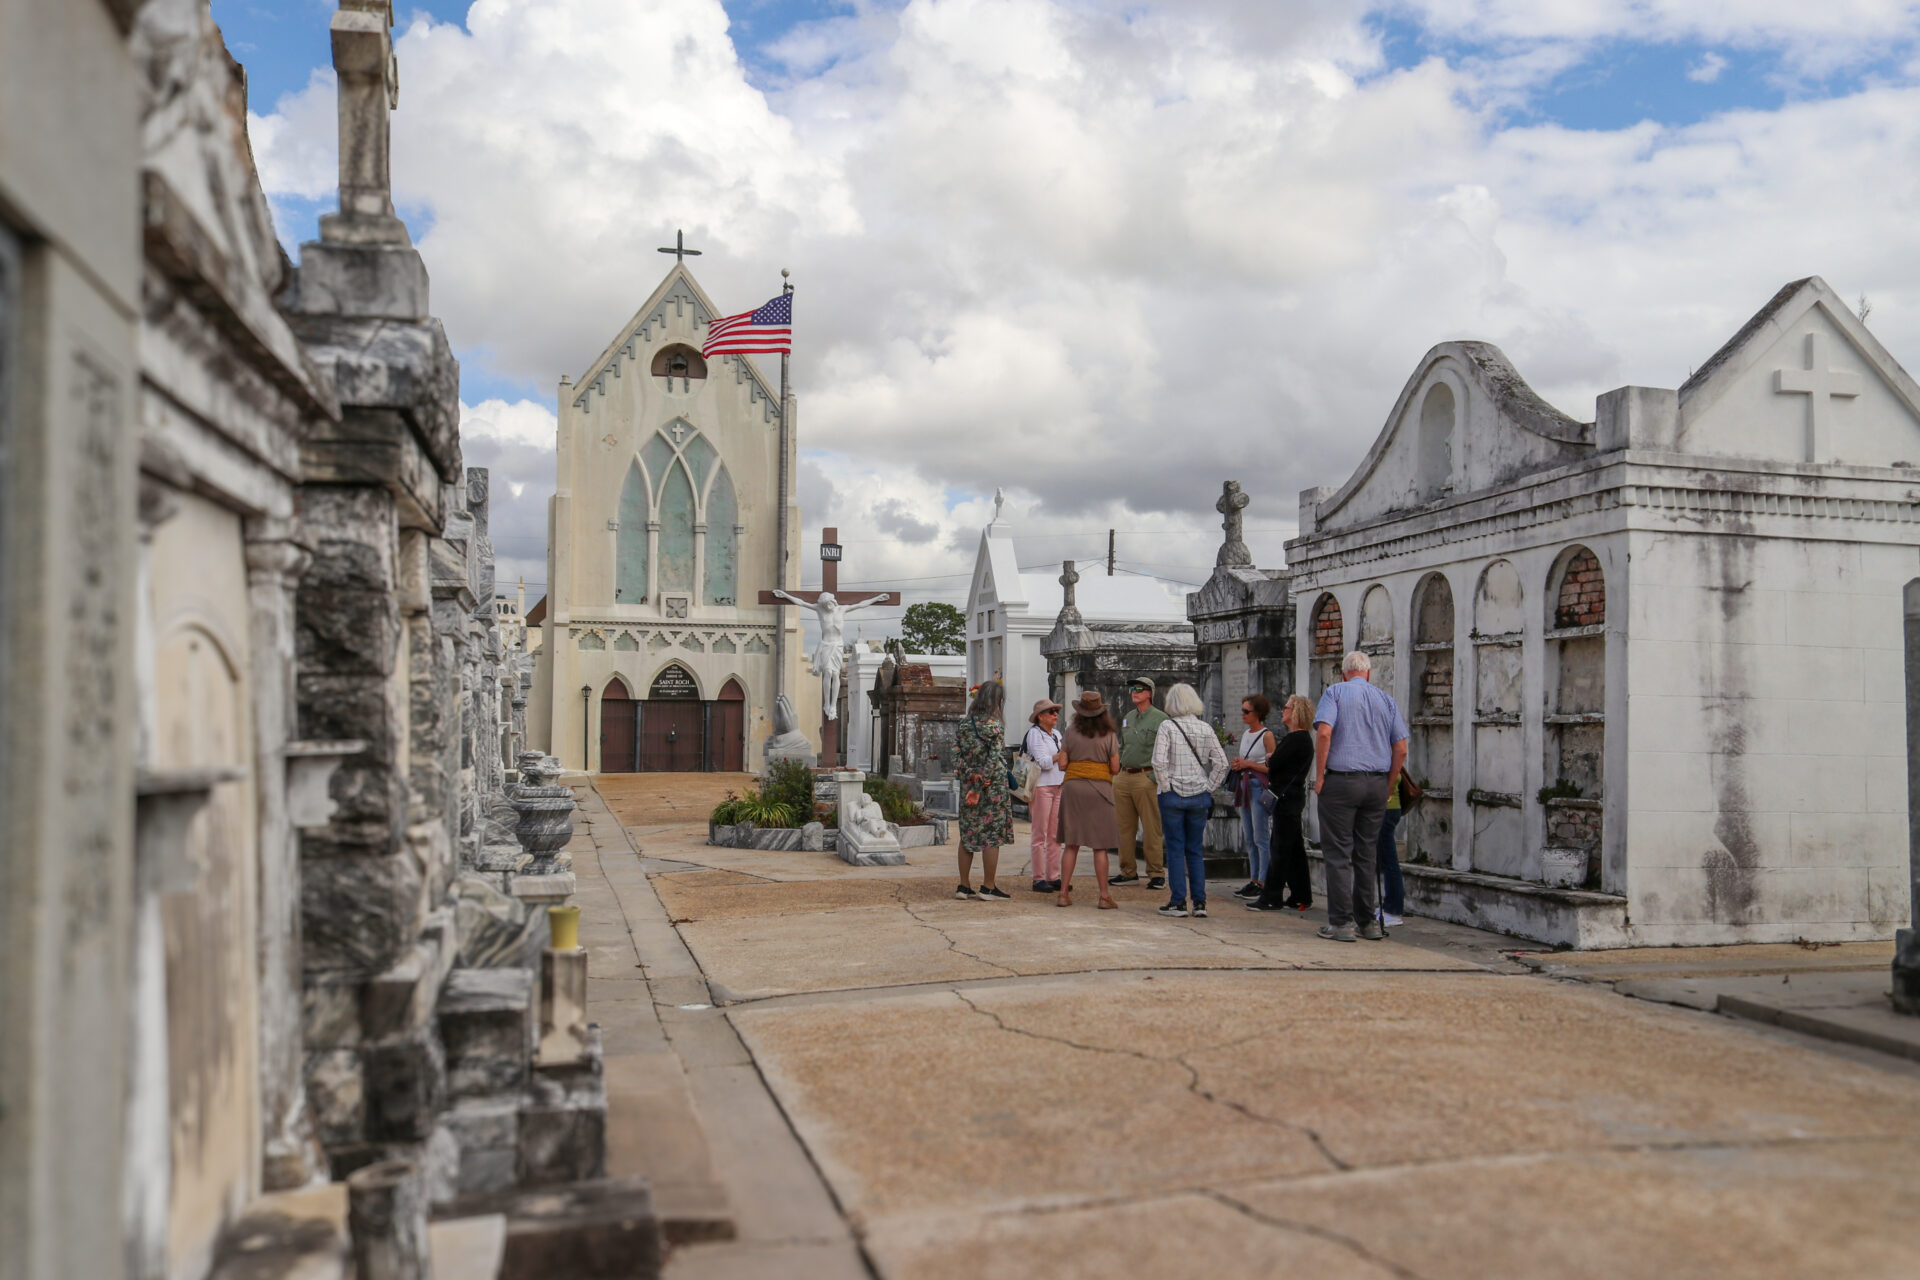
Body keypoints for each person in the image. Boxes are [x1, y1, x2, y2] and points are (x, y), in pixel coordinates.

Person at [1311, 652, 1409, 942]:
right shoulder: (1385, 699)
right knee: (1367, 854)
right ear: (1368, 673)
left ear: (1344, 673)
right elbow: (1401, 748)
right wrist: (1389, 783)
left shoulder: (1335, 693)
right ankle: (1368, 922)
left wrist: (1319, 777)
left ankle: (1342, 923)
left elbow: (1325, 733)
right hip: (1377, 782)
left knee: (1339, 854)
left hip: (1342, 780)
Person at [1151, 682, 1229, 918]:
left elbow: (1158, 761)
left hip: (1174, 793)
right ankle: (1200, 902)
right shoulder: (1205, 728)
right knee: (1195, 849)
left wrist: (1166, 786)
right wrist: (1209, 786)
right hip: (1199, 794)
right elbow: (1222, 763)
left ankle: (1177, 902)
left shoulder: (1167, 726)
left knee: (1175, 849)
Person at [1248, 695, 1316, 912]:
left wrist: (1270, 757)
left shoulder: (1297, 739)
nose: (1282, 711)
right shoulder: (1300, 739)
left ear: (1295, 712)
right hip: (1291, 797)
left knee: (1280, 847)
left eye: (1286, 708)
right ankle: (1301, 894)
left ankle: (1272, 895)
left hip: (1287, 799)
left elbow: (1275, 762)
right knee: (1294, 848)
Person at [1056, 689, 1121, 910]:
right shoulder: (1109, 734)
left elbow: (1062, 764)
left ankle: (1063, 893)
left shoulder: (1070, 731)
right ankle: (1104, 896)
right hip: (1100, 789)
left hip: (1074, 787)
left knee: (1071, 844)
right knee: (1100, 846)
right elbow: (1115, 767)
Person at [953, 680, 1013, 901]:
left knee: (967, 835)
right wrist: (981, 783)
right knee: (991, 837)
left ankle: (963, 885)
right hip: (991, 788)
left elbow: (956, 758)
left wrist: (971, 777)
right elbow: (993, 759)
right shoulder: (994, 727)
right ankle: (988, 886)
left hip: (968, 786)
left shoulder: (964, 725)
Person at [1113, 677, 1168, 889]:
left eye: (1139, 689)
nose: (1134, 692)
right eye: (1132, 689)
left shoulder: (1161, 719)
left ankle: (1156, 873)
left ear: (1149, 693)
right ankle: (1127, 872)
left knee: (1152, 827)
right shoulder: (1128, 717)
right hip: (1124, 776)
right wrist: (1117, 774)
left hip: (1147, 776)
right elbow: (1123, 746)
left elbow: (1166, 751)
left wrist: (1153, 777)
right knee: (1123, 828)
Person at [1228, 693, 1276, 900]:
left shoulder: (1267, 735)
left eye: (1247, 711)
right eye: (1243, 710)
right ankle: (1254, 878)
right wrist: (1239, 765)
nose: (1243, 714)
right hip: (1244, 784)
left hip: (1258, 786)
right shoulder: (1247, 734)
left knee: (1260, 836)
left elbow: (1272, 766)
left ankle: (1264, 880)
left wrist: (1248, 765)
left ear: (1258, 713)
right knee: (1249, 835)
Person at [1022, 698, 1067, 893]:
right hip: (1041, 786)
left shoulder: (1056, 733)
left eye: (1056, 711)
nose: (1055, 714)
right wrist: (1061, 755)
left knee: (1056, 834)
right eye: (1051, 712)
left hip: (1058, 785)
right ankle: (1038, 877)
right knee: (1040, 833)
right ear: (1040, 716)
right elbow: (1043, 762)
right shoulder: (1035, 734)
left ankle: (1053, 876)